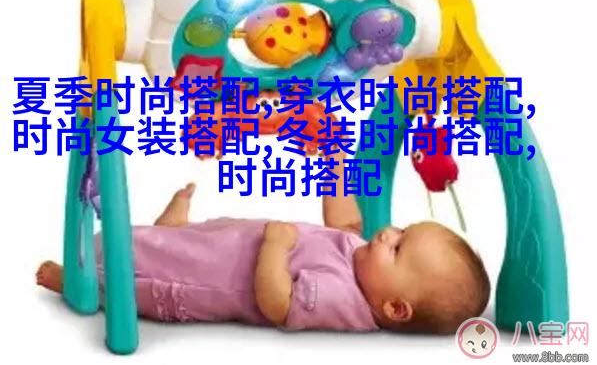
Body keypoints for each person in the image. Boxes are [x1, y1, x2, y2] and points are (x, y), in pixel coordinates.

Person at [37, 153, 489, 333]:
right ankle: (171, 231)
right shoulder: (364, 264)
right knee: (176, 242)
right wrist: (334, 161)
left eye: (398, 248)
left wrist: (275, 247)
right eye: (403, 230)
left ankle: (78, 285)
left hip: (199, 281)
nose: (388, 232)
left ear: (394, 308)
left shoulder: (345, 300)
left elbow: (279, 304)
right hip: (220, 245)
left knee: (137, 276)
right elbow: (346, 222)